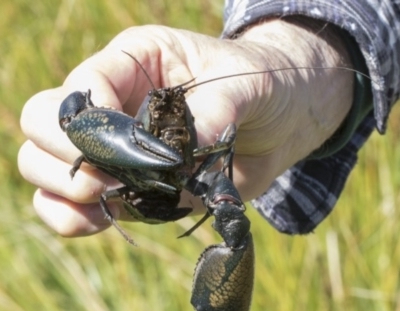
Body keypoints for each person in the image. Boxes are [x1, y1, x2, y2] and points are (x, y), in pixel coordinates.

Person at [18, 1, 399, 238]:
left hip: (192, 187)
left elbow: (225, 143)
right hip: (128, 194)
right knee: (83, 173)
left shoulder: (220, 127)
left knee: (237, 232)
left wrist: (290, 73)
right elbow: (76, 126)